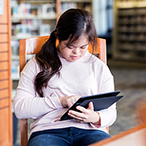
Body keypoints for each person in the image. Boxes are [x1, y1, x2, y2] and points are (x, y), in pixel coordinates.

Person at [13, 8, 117, 146]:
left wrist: (96, 117)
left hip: (90, 131)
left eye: (83, 47)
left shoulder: (98, 67)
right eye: (70, 46)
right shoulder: (38, 64)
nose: (76, 53)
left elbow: (111, 112)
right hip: (48, 131)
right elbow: (20, 108)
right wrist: (61, 101)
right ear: (58, 38)